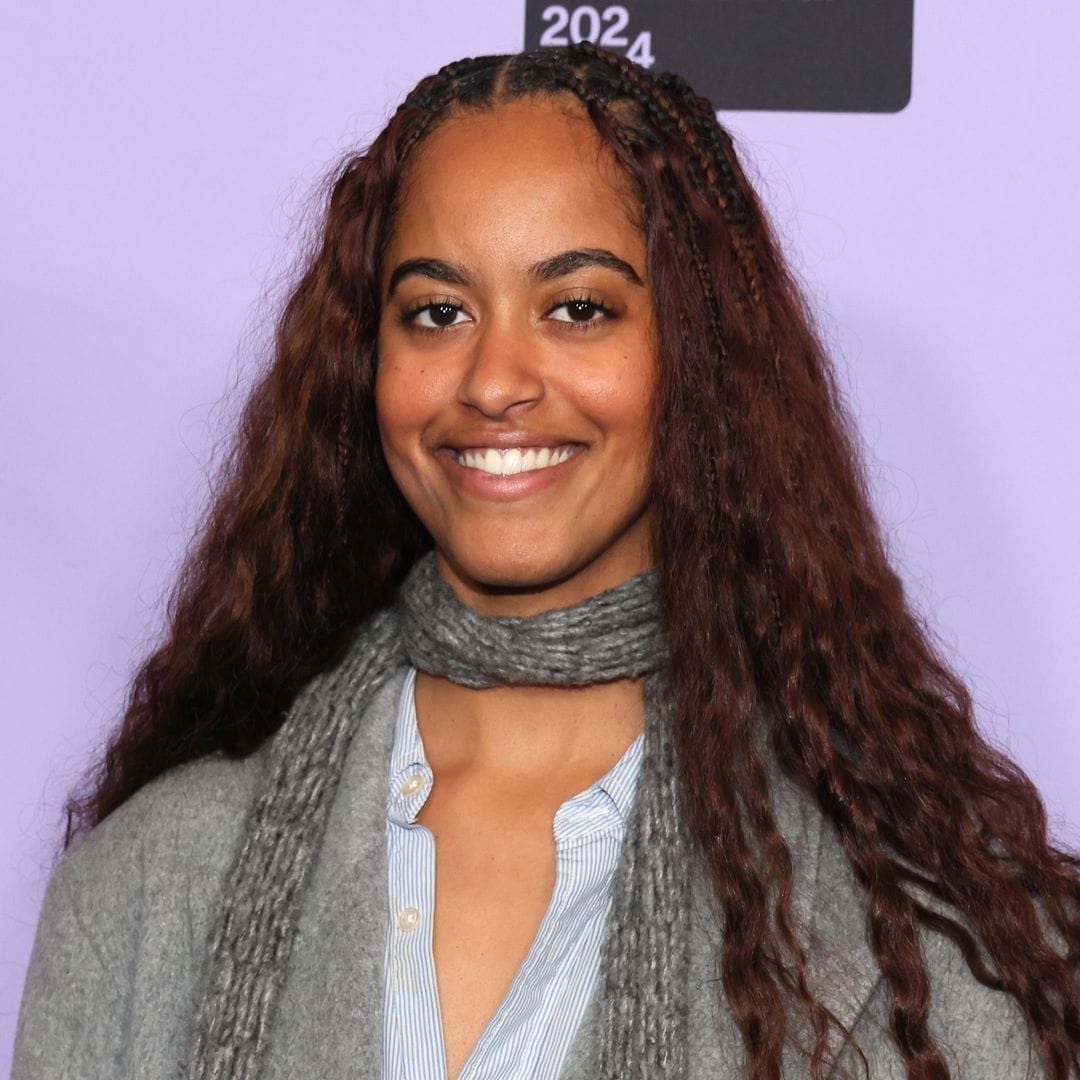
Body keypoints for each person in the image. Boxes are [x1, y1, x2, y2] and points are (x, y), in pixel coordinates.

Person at [12, 43, 1080, 1080]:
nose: (492, 380)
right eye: (437, 313)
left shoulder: (932, 939)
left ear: (696, 357)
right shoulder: (150, 883)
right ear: (367, 364)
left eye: (578, 308)